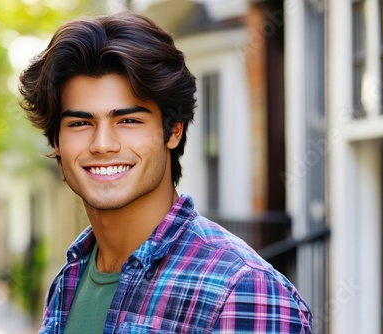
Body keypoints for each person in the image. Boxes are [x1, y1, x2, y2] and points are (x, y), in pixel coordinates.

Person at [19, 11, 313, 334]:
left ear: (173, 130)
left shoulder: (242, 290)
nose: (102, 144)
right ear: (56, 142)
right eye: (80, 123)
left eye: (128, 121)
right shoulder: (69, 281)